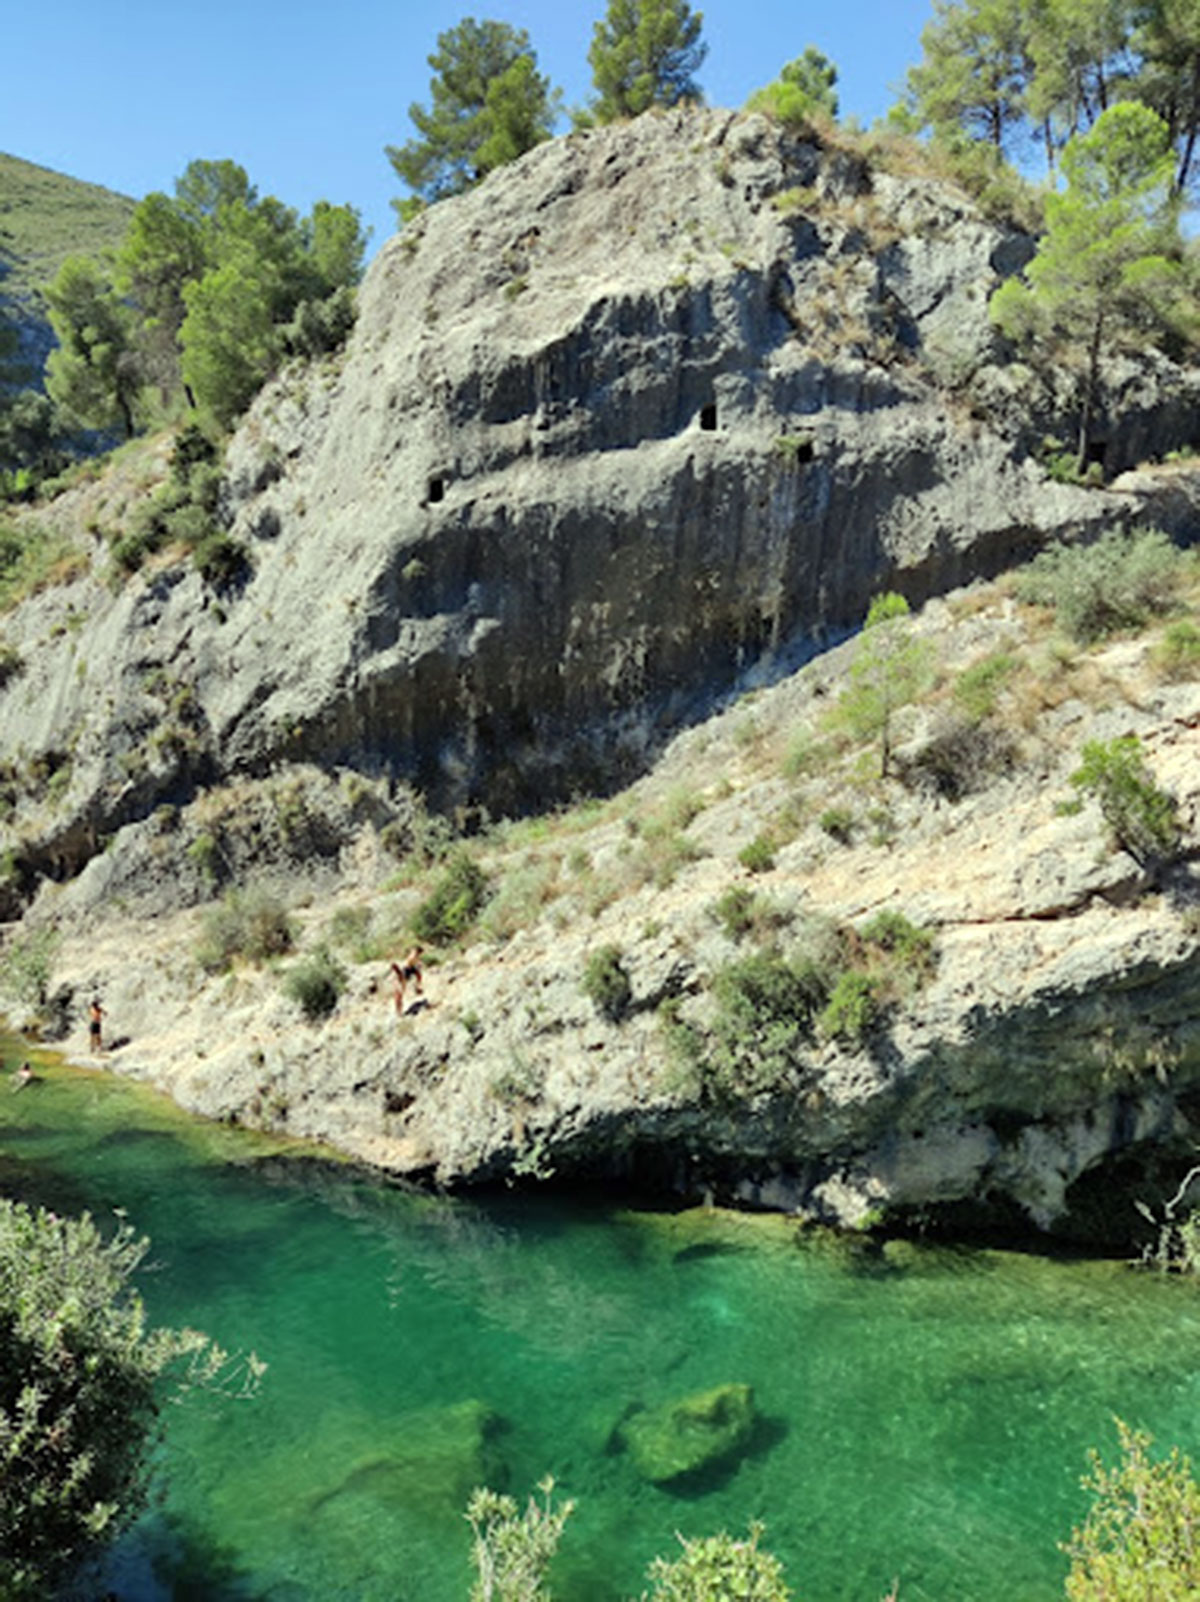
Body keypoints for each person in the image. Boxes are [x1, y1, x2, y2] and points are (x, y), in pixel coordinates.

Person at [390, 948, 424, 1016]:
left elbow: (412, 963)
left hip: (407, 970)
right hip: (406, 971)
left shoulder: (414, 957)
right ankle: (398, 1011)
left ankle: (399, 1011)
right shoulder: (413, 957)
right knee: (399, 995)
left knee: (400, 994)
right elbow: (410, 961)